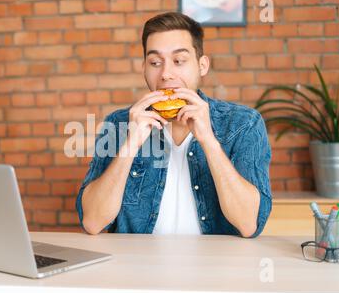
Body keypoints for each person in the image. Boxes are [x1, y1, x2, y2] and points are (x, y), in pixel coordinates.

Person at [75, 12, 272, 238]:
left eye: (179, 61)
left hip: (217, 269)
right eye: (155, 63)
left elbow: (249, 225)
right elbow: (92, 222)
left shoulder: (244, 123)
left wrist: (208, 140)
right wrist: (130, 144)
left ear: (202, 65)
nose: (166, 74)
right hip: (134, 268)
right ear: (144, 68)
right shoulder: (118, 123)